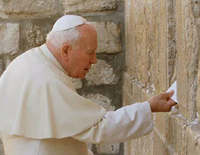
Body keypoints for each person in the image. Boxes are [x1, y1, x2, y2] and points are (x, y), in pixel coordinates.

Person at [0, 15, 176, 155]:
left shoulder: (28, 62)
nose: (94, 60)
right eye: (90, 52)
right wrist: (148, 107)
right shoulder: (46, 79)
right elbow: (97, 128)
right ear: (66, 50)